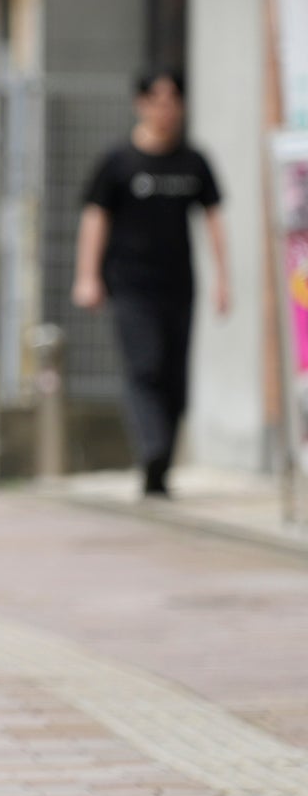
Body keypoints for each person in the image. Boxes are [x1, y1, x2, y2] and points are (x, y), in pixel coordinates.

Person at [72, 68, 228, 497]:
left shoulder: (193, 161)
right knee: (145, 366)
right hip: (130, 285)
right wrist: (87, 276)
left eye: (172, 99)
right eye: (156, 100)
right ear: (140, 104)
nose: (165, 109)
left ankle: (159, 465)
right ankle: (154, 447)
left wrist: (223, 280)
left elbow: (214, 220)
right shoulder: (119, 161)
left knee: (175, 377)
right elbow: (95, 217)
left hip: (179, 285)